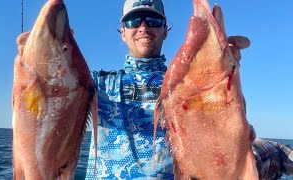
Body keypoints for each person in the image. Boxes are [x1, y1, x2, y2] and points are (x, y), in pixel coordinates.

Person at [84, 0, 293, 179]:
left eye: (153, 21)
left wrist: (229, 71)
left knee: (276, 151)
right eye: (133, 21)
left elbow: (230, 123)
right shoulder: (96, 84)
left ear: (165, 30)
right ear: (122, 32)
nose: (143, 27)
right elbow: (57, 93)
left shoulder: (183, 80)